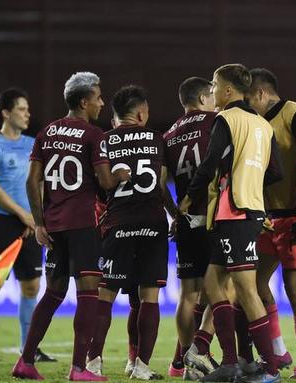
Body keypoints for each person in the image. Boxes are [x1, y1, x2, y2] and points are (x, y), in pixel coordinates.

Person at [11, 71, 129, 381]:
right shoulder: (93, 135)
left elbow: (31, 180)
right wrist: (119, 175)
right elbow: (104, 182)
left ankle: (25, 361)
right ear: (83, 101)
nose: (102, 103)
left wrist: (39, 223)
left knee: (53, 293)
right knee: (89, 293)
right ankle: (78, 369)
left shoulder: (46, 132)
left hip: (54, 224)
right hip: (83, 223)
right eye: (98, 97)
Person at [179, 64, 282, 383]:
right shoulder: (263, 126)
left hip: (235, 211)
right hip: (250, 210)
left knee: (246, 290)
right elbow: (275, 172)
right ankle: (228, 362)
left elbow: (211, 161)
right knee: (213, 283)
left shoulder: (226, 119)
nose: (211, 90)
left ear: (227, 91)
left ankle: (270, 368)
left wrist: (190, 195)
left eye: (213, 84)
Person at [84, 85, 170, 380]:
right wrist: (176, 214)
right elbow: (161, 185)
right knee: (149, 296)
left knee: (104, 294)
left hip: (117, 223)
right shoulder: (158, 140)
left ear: (115, 116)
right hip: (153, 222)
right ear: (141, 113)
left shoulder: (104, 140)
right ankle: (141, 367)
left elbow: (98, 185)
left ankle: (93, 362)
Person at [245, 68, 296, 378]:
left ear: (262, 94)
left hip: (294, 214)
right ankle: (278, 350)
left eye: (249, 99)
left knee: (295, 288)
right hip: (266, 217)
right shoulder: (256, 123)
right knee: (256, 283)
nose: (247, 106)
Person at [0, 88, 55, 363]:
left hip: (31, 223)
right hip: (3, 223)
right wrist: (24, 215)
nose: (27, 113)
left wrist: (37, 217)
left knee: (31, 286)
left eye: (28, 109)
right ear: (6, 113)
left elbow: (42, 184)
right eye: (21, 109)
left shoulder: (34, 144)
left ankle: (28, 347)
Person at [162, 76, 218, 379]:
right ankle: (200, 350)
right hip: (212, 217)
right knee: (225, 288)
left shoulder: (169, 134)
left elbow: (159, 183)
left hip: (186, 220)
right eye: (211, 94)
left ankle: (186, 362)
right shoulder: (216, 121)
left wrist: (174, 213)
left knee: (188, 295)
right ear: (201, 98)